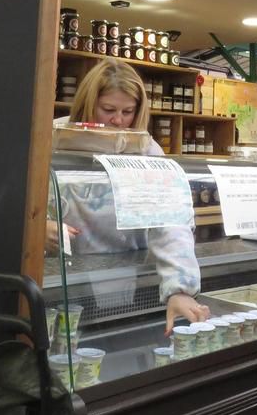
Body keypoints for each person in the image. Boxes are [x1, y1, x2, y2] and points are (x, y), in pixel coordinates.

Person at [51, 58, 210, 334]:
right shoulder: (54, 138)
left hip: (130, 275)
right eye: (108, 109)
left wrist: (180, 288)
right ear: (88, 103)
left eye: (128, 111)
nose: (118, 120)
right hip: (64, 276)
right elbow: (21, 199)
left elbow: (170, 220)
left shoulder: (147, 151)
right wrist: (36, 227)